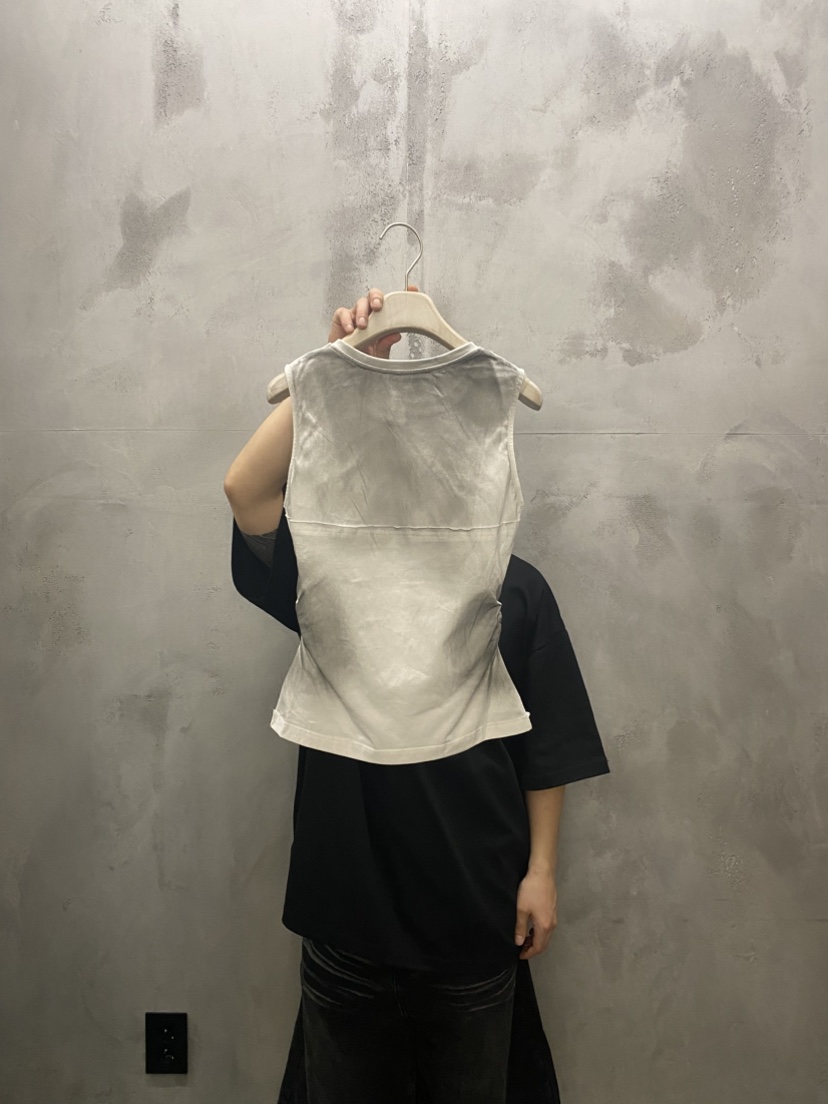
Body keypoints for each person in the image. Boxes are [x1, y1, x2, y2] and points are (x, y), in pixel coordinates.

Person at [223, 286, 611, 1104]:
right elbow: (246, 491)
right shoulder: (332, 578)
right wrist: (335, 375)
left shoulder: (515, 589)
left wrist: (541, 872)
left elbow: (547, 746)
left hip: (474, 913)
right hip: (346, 912)